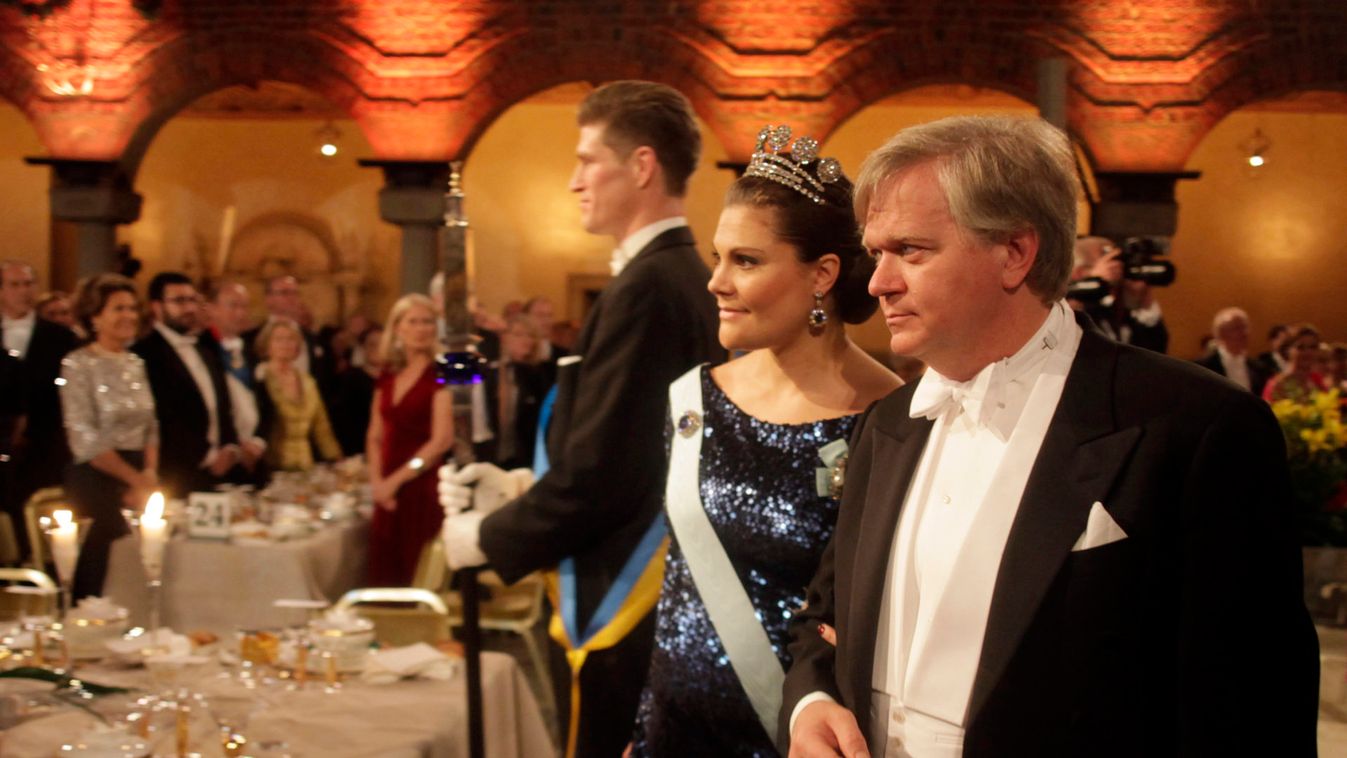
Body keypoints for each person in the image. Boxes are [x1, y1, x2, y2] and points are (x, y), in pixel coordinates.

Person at [782, 115, 1318, 757]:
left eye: (912, 251)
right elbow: (826, 616)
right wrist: (811, 703)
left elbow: (1251, 709)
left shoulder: (1196, 428)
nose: (878, 282)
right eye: (877, 254)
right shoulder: (887, 424)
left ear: (1015, 252)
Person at [439, 80, 723, 757]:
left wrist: (488, 535)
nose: (573, 181)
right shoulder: (674, 275)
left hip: (628, 583)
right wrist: (511, 488)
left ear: (642, 166)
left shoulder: (648, 289)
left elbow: (608, 474)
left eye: (587, 159)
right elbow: (622, 443)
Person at [629, 127, 899, 756]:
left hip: (804, 736)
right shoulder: (691, 400)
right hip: (674, 733)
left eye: (745, 261)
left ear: (823, 274)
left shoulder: (891, 420)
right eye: (718, 257)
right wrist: (643, 729)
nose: (715, 282)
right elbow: (681, 589)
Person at [60, 273, 158, 600]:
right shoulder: (77, 365)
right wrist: (135, 479)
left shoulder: (136, 363)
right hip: (96, 479)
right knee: (99, 571)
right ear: (94, 316)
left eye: (132, 308)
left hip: (137, 475)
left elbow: (150, 424)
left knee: (145, 567)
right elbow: (84, 437)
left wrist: (149, 474)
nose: (129, 316)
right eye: (118, 308)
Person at [366, 294, 453, 586]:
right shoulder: (388, 373)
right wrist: (378, 482)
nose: (421, 328)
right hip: (386, 487)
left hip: (421, 485)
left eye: (428, 321)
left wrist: (397, 481)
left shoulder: (445, 370)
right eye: (413, 321)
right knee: (384, 572)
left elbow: (441, 441)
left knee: (416, 572)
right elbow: (375, 435)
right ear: (398, 328)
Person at [133, 273, 239, 497]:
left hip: (218, 474)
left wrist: (229, 447)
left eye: (192, 300)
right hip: (174, 474)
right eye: (179, 301)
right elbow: (163, 417)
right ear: (157, 307)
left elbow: (222, 406)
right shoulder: (144, 354)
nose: (190, 308)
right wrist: (209, 456)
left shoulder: (205, 350)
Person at [0, 262, 79, 557]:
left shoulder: (60, 337)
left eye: (28, 284)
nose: (24, 291)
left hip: (44, 445)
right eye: (15, 284)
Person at [255, 317, 341, 472]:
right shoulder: (260, 378)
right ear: (267, 345)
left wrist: (335, 458)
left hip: (304, 465)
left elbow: (321, 427)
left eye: (290, 339)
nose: (285, 344)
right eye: (279, 339)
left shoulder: (308, 382)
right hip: (271, 465)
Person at [204, 279, 267, 483]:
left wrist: (257, 441)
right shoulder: (203, 349)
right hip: (221, 456)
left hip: (253, 456)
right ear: (211, 309)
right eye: (233, 305)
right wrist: (233, 446)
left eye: (244, 306)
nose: (240, 313)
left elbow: (265, 401)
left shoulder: (252, 350)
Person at [1067, 236, 1168, 354]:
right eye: (1106, 255)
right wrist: (1096, 281)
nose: (1119, 265)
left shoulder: (1117, 307)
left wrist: (1142, 298)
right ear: (1080, 272)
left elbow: (1155, 353)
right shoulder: (1067, 305)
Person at [488, 315, 556, 470]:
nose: (526, 340)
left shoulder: (543, 373)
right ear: (504, 337)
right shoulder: (490, 371)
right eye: (519, 334)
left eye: (531, 335)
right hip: (492, 454)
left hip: (528, 455)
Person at [332, 324, 383, 457]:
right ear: (363, 347)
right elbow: (343, 419)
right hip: (358, 447)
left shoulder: (397, 378)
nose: (377, 349)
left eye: (382, 344)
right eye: (372, 344)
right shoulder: (351, 377)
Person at [1193, 306, 1270, 394]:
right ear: (1221, 333)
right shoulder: (1204, 368)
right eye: (1237, 328)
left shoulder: (1257, 367)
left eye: (1245, 327)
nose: (1244, 333)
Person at [1262, 324, 1329, 403]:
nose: (1308, 352)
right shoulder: (1278, 385)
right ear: (1288, 350)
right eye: (1301, 347)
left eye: (1313, 347)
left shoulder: (1317, 380)